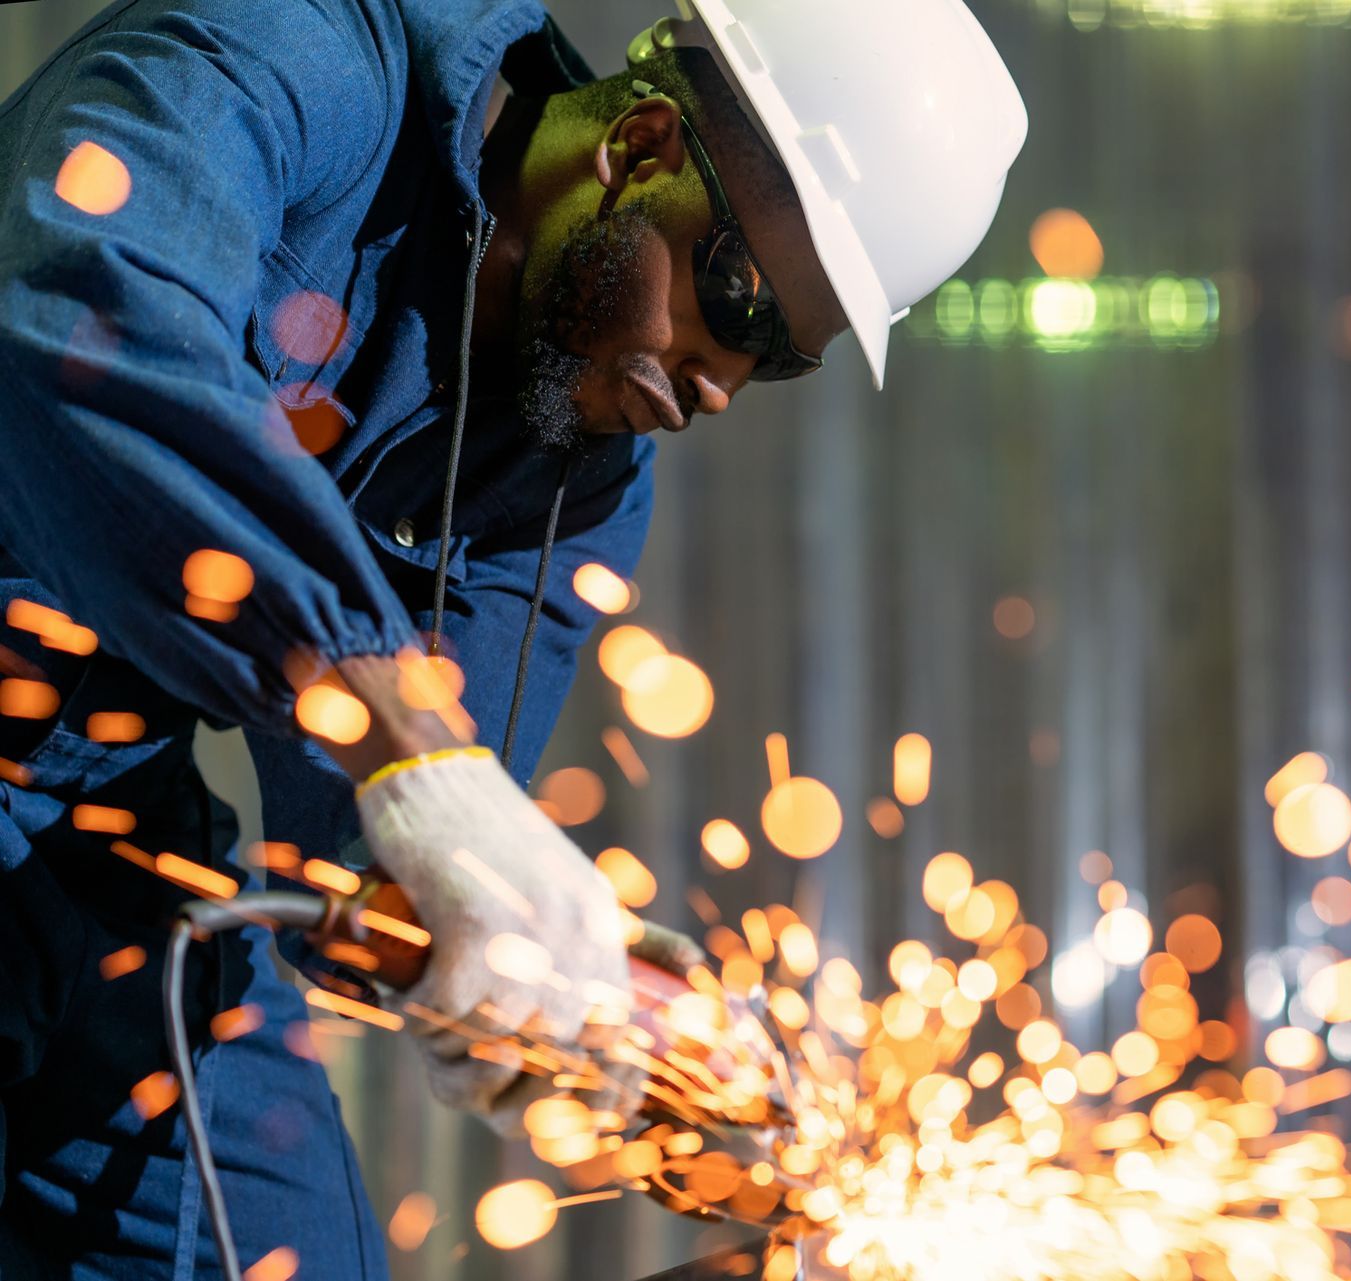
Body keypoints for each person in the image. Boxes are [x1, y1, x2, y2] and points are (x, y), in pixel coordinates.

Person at [0, 0, 1026, 1274]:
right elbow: (74, 331)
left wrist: (599, 1014)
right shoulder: (299, 54)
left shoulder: (577, 476)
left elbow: (393, 833)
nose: (721, 383)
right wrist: (403, 734)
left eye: (783, 361)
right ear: (643, 145)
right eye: (739, 303)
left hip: (99, 837)